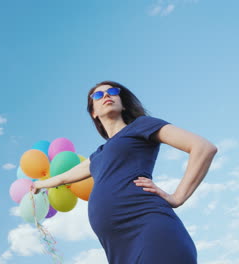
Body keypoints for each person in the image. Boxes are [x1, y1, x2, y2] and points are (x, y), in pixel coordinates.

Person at [31, 80, 217, 263]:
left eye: (112, 92)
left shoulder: (141, 126)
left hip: (149, 230)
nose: (105, 95)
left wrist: (178, 197)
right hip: (117, 248)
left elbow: (203, 148)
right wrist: (38, 185)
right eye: (98, 95)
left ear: (123, 104)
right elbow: (64, 177)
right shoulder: (98, 154)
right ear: (94, 112)